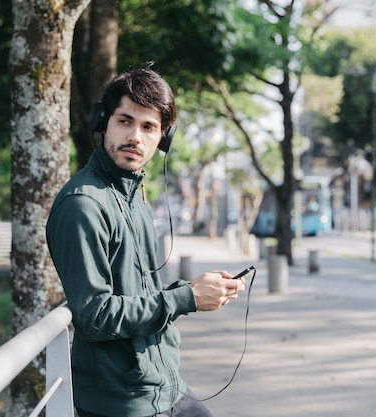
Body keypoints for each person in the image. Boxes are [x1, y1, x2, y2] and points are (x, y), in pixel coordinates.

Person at [46, 63, 245, 417]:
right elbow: (95, 315)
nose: (135, 136)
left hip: (164, 383)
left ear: (163, 138)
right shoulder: (84, 206)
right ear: (103, 121)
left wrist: (196, 289)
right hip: (122, 400)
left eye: (148, 127)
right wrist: (186, 298)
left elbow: (139, 291)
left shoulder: (134, 195)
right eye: (125, 121)